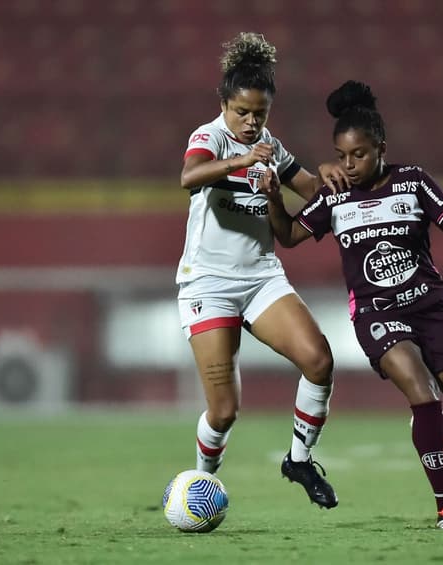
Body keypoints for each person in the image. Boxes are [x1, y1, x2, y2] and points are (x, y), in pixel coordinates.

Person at [257, 81, 443, 529]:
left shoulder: (414, 181)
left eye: (359, 155)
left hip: (430, 308)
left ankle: (428, 435)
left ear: (381, 148)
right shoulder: (335, 194)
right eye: (341, 155)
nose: (348, 165)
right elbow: (288, 236)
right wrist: (273, 198)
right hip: (377, 315)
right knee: (422, 395)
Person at [177, 32, 347, 509]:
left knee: (319, 360)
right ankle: (200, 485)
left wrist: (330, 177)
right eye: (242, 112)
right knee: (225, 411)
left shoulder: (270, 144)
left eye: (260, 114)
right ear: (224, 103)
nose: (251, 123)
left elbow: (310, 188)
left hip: (261, 279)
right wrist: (242, 159)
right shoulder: (209, 137)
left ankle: (298, 460)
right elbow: (189, 177)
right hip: (207, 283)